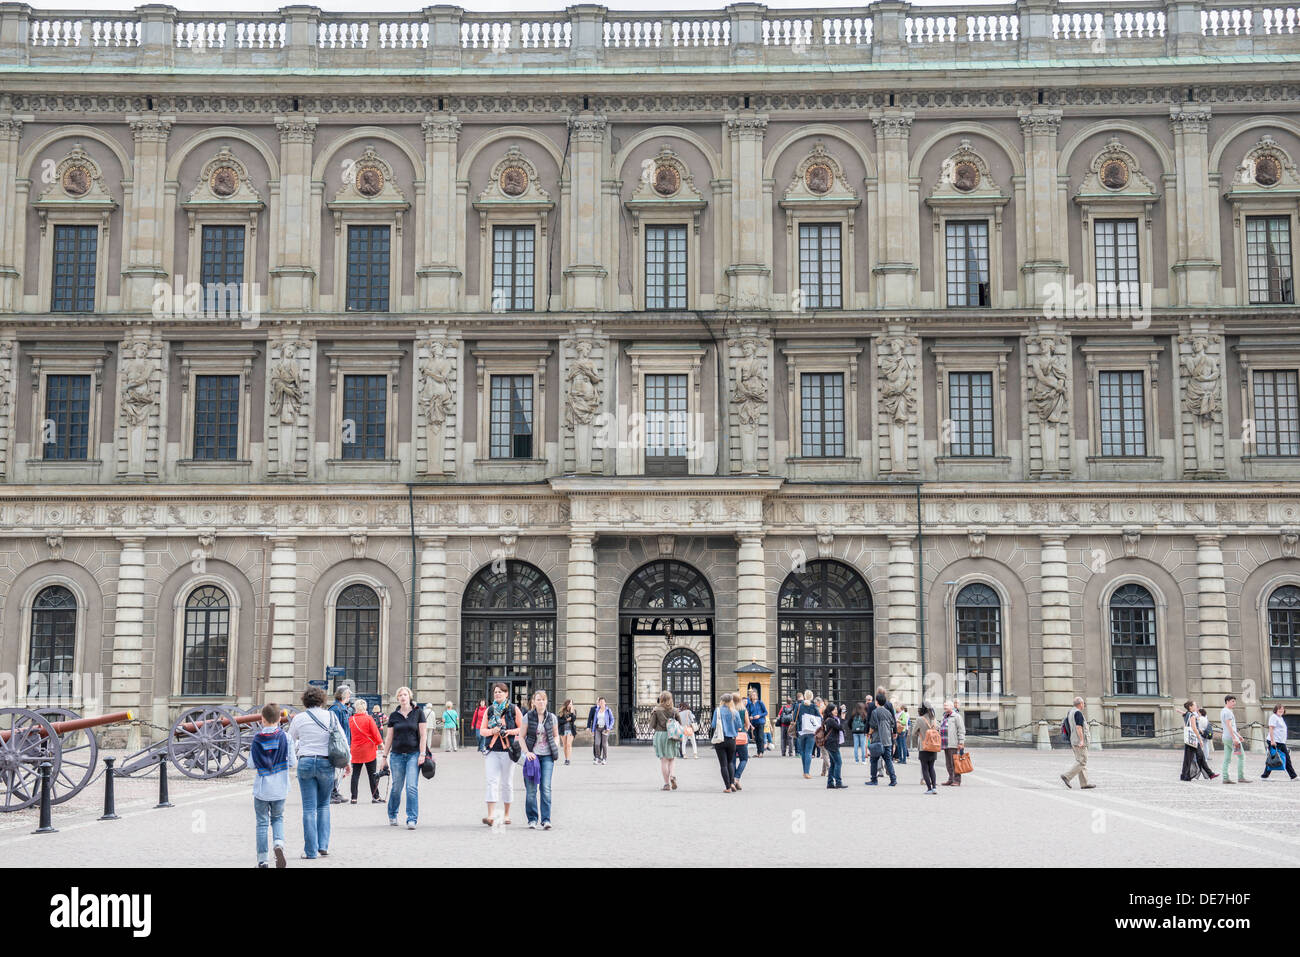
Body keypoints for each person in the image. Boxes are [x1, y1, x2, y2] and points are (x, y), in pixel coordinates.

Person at [286, 685, 347, 859]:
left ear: (305, 700)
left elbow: (290, 741)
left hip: (305, 762)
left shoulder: (299, 718)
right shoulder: (331, 716)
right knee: (323, 805)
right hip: (325, 763)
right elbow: (341, 740)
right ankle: (323, 846)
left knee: (309, 808)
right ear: (322, 700)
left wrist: (293, 760)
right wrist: (347, 762)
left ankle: (310, 851)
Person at [251, 702, 295, 868]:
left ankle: (262, 860)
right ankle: (278, 844)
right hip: (280, 787)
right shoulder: (286, 737)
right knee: (278, 819)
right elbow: (292, 761)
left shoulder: (257, 738)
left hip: (262, 787)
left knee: (262, 823)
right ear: (279, 719)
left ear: (262, 719)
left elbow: (251, 763)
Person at [381, 686, 428, 829]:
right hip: (396, 755)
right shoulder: (394, 716)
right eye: (400, 695)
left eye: (405, 694)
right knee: (397, 787)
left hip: (414, 754)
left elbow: (423, 735)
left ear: (410, 697)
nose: (403, 697)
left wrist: (422, 753)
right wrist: (384, 757)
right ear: (398, 698)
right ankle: (392, 813)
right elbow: (389, 737)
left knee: (411, 787)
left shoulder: (418, 713)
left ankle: (411, 818)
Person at [481, 682, 525, 825]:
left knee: (507, 783)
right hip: (492, 750)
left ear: (506, 694)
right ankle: (491, 815)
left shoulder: (513, 709)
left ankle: (506, 815)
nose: (498, 694)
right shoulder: (490, 710)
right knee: (491, 782)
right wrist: (492, 731)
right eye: (495, 692)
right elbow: (482, 730)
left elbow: (522, 728)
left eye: (500, 692)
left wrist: (509, 732)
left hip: (508, 751)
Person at [522, 690, 560, 829]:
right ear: (533, 702)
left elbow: (556, 735)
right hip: (533, 757)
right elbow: (521, 737)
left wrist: (555, 744)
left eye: (543, 699)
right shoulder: (527, 717)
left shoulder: (552, 718)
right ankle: (532, 819)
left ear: (546, 701)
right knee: (531, 790)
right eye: (538, 699)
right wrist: (527, 753)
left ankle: (546, 819)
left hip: (547, 756)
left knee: (546, 787)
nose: (541, 702)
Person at [349, 696, 383, 803]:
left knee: (355, 774)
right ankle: (375, 797)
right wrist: (381, 744)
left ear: (355, 708)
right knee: (372, 774)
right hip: (369, 750)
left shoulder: (351, 719)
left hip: (356, 750)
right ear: (365, 708)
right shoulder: (369, 719)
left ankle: (354, 798)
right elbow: (375, 733)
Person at [1059, 695, 1096, 789]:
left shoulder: (1070, 712)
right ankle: (1067, 776)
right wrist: (1082, 740)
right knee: (1082, 761)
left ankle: (1084, 783)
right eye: (1083, 703)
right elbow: (1079, 727)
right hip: (1079, 741)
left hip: (1073, 740)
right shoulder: (1078, 713)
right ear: (1080, 704)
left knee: (1080, 761)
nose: (1084, 705)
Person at [649, 690, 681, 791]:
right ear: (671, 699)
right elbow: (680, 723)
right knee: (672, 759)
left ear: (661, 699)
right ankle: (672, 775)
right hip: (672, 735)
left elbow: (652, 725)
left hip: (660, 735)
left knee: (663, 760)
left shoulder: (656, 710)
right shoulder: (675, 710)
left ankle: (666, 784)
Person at [328, 686, 354, 804]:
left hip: (343, 742)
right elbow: (334, 728)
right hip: (338, 743)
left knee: (339, 769)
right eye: (348, 695)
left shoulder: (342, 708)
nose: (349, 697)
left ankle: (335, 791)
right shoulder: (336, 709)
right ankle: (332, 793)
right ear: (344, 695)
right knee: (336, 768)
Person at [1179, 700, 1217, 781]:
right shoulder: (1192, 715)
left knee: (1194, 757)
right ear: (1190, 707)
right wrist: (1200, 739)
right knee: (1197, 757)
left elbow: (1186, 725)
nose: (1196, 707)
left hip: (1189, 739)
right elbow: (1193, 728)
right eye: (1195, 705)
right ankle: (1187, 775)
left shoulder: (1187, 715)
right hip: (1193, 740)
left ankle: (1186, 775)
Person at [712, 692, 741, 793]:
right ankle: (732, 783)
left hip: (720, 740)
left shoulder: (718, 710)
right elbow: (739, 726)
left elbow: (713, 724)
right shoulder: (735, 712)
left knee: (723, 765)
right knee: (730, 762)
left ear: (722, 701)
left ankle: (728, 787)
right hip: (732, 740)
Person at [867, 690, 897, 786]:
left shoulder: (875, 712)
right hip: (887, 739)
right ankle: (893, 779)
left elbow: (872, 726)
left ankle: (874, 779)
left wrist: (869, 734)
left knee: (874, 760)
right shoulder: (888, 712)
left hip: (877, 739)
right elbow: (893, 723)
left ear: (877, 702)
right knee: (888, 760)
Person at [1262, 703, 1297, 780]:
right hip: (1275, 741)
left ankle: (1293, 776)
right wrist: (1272, 740)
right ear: (1276, 710)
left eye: (1282, 709)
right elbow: (1271, 729)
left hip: (1281, 742)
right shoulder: (1273, 717)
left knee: (1286, 758)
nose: (1281, 710)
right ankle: (1264, 776)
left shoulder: (1280, 718)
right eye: (1279, 709)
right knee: (1273, 758)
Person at [1220, 694, 1249, 784]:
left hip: (1226, 738)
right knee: (1241, 757)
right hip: (1231, 739)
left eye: (1234, 701)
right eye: (1232, 701)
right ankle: (1241, 777)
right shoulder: (1228, 712)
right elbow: (1229, 726)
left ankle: (1225, 778)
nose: (1234, 703)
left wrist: (1238, 735)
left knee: (1227, 759)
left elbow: (1231, 727)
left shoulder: (1223, 711)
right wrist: (1234, 738)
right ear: (1227, 701)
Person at [939, 699, 967, 787]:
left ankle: (957, 780)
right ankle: (951, 779)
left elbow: (961, 730)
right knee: (948, 763)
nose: (944, 707)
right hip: (945, 743)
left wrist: (961, 742)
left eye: (946, 706)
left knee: (955, 763)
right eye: (944, 705)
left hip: (953, 743)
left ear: (951, 707)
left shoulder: (956, 716)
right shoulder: (944, 716)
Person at [912, 704, 939, 795]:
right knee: (932, 767)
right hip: (934, 746)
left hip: (924, 746)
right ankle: (934, 787)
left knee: (925, 768)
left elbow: (913, 732)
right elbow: (937, 729)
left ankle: (929, 788)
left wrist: (920, 732)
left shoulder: (920, 719)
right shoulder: (934, 719)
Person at [794, 690, 821, 779]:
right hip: (811, 731)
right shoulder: (814, 706)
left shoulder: (799, 706)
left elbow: (794, 718)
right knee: (809, 751)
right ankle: (807, 772)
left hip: (801, 731)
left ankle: (804, 771)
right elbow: (820, 718)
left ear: (805, 696)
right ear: (812, 697)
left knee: (803, 752)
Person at [821, 699, 845, 789]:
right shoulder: (831, 720)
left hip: (830, 744)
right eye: (834, 710)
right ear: (830, 711)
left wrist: (840, 710)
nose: (836, 711)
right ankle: (838, 782)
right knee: (839, 762)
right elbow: (840, 727)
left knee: (833, 763)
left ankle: (830, 783)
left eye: (836, 709)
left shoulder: (830, 719)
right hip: (832, 744)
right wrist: (842, 718)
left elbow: (837, 721)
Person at [588, 696, 614, 764]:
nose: (601, 703)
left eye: (603, 702)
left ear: (605, 702)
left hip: (605, 729)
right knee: (596, 743)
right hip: (597, 728)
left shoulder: (608, 710)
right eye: (600, 702)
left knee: (604, 744)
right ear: (598, 703)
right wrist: (593, 730)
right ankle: (597, 758)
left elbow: (612, 720)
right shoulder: (597, 710)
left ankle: (604, 759)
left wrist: (609, 728)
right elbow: (594, 721)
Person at [734, 693, 751, 789]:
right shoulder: (743, 710)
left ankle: (734, 780)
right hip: (742, 737)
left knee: (732, 760)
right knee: (744, 759)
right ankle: (736, 778)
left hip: (732, 737)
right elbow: (747, 724)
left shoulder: (730, 710)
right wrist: (745, 730)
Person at [747, 688, 768, 757]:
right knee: (756, 738)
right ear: (750, 696)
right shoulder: (749, 705)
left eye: (755, 695)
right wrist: (750, 717)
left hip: (760, 722)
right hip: (754, 723)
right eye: (752, 695)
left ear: (757, 696)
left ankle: (761, 752)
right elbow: (748, 714)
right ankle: (758, 752)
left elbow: (766, 712)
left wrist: (759, 715)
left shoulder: (760, 702)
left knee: (761, 737)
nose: (754, 696)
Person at [557, 699, 578, 765]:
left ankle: (568, 759)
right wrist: (567, 720)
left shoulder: (574, 711)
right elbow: (559, 721)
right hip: (563, 730)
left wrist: (571, 713)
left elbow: (573, 719)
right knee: (565, 746)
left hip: (570, 730)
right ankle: (566, 759)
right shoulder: (561, 711)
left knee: (569, 744)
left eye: (572, 704)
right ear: (567, 704)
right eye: (569, 704)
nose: (571, 705)